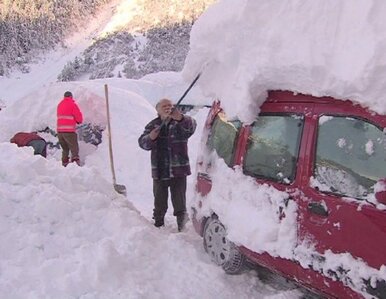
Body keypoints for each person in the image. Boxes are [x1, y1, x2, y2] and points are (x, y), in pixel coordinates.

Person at [138, 98, 197, 232]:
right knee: (159, 201)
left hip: (178, 169)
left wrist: (180, 118)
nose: (168, 108)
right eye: (164, 106)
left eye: (170, 105)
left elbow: (191, 127)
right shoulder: (152, 125)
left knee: (180, 201)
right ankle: (158, 224)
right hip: (160, 169)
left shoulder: (181, 122)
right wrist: (150, 138)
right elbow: (142, 143)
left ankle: (182, 226)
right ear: (157, 110)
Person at [57, 91, 83, 166]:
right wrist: (79, 121)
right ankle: (75, 165)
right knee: (74, 148)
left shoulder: (60, 105)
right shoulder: (72, 105)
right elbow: (78, 117)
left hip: (60, 132)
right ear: (71, 97)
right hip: (69, 131)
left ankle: (64, 163)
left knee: (65, 149)